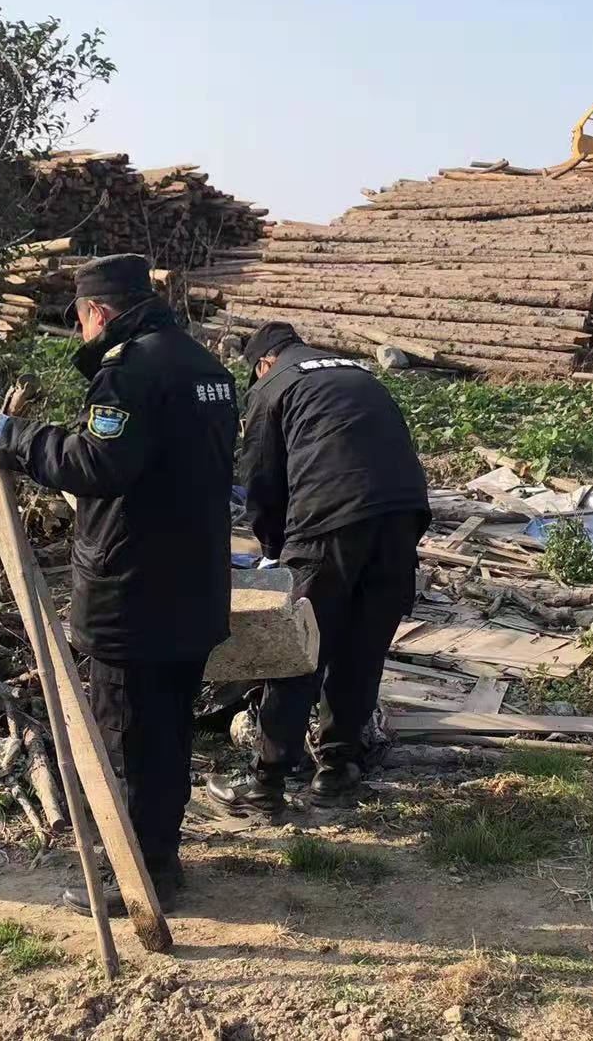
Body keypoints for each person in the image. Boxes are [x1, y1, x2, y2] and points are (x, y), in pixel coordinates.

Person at [0, 254, 236, 914]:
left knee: (130, 738)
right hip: (194, 585)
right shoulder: (206, 367)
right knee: (167, 735)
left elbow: (96, 463)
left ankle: (138, 878)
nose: (83, 332)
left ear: (98, 313)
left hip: (133, 592)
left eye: (82, 320)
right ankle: (160, 858)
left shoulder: (130, 371)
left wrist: (16, 436)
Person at [206, 322, 429, 816]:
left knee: (299, 646)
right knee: (362, 644)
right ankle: (337, 770)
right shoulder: (359, 373)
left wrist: (272, 549)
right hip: (401, 517)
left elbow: (261, 476)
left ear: (263, 363)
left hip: (329, 519)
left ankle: (266, 783)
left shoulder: (273, 384)